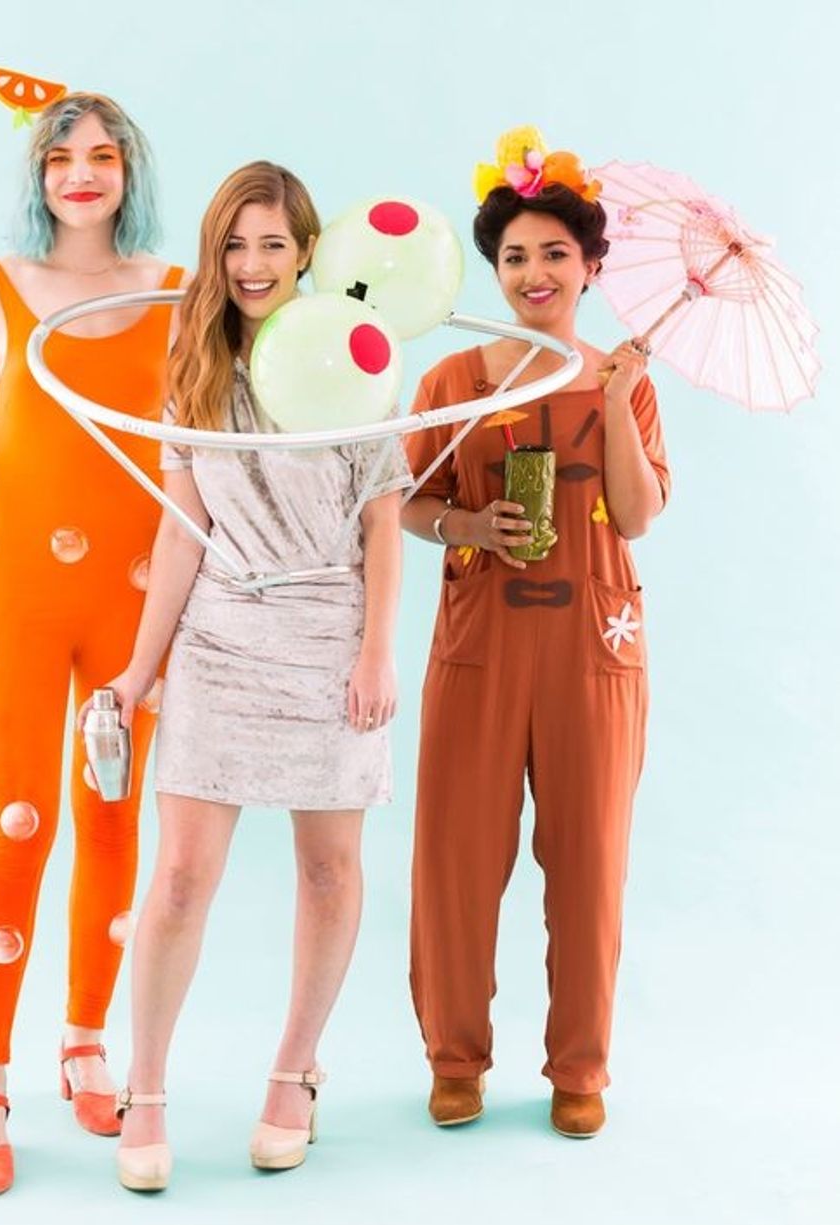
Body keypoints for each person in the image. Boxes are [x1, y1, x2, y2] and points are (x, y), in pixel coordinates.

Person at [0, 92, 186, 1196]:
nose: (82, 173)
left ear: (128, 169)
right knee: (19, 824)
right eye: (62, 158)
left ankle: (86, 1041)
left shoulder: (173, 291)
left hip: (136, 601)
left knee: (113, 818)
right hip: (14, 591)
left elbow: (194, 443)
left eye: (103, 154)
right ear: (38, 176)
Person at [90, 160, 410, 1191]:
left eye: (272, 242)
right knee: (181, 877)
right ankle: (145, 1087)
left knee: (328, 869)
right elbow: (180, 534)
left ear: (307, 251)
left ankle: (294, 1071)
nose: (252, 263)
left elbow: (383, 521)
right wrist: (138, 672)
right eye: (234, 243)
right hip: (221, 638)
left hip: (329, 636)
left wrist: (376, 651)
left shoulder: (356, 354)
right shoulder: (197, 362)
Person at [402, 130, 670, 1139]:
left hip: (595, 651)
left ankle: (579, 1068)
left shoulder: (626, 379)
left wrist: (614, 400)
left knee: (590, 866)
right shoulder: (451, 382)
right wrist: (469, 526)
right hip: (478, 645)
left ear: (590, 266)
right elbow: (406, 502)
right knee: (455, 864)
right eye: (514, 255)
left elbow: (636, 516)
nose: (533, 272)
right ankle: (454, 1058)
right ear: (495, 269)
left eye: (555, 252)